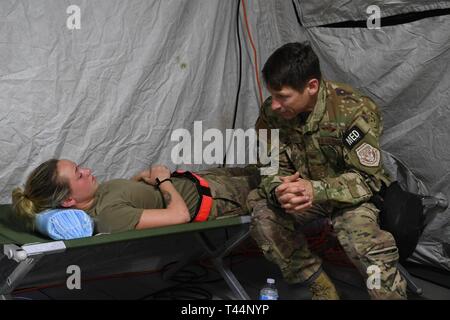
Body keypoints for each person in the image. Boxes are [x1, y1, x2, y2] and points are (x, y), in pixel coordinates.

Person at [247, 42, 407, 300]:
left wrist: (316, 189)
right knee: (262, 212)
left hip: (351, 198)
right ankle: (318, 283)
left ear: (311, 86)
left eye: (283, 97)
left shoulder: (353, 110)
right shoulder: (272, 114)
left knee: (363, 242)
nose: (274, 105)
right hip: (304, 195)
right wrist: (280, 190)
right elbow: (269, 165)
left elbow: (369, 179)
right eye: (272, 95)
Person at [12, 159, 260, 234]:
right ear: (68, 201)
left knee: (265, 165)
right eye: (79, 175)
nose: (87, 171)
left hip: (201, 180)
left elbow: (130, 197)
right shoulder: (109, 216)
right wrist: (163, 180)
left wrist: (140, 178)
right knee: (277, 179)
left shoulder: (96, 194)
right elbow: (180, 215)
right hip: (217, 198)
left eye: (81, 167)